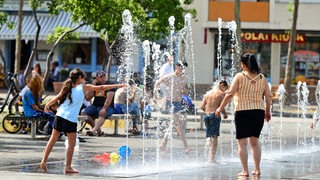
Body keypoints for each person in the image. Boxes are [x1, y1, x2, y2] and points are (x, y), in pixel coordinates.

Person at [40, 68, 126, 173]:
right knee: (71, 144)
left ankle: (44, 161)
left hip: (59, 116)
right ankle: (68, 167)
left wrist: (47, 106)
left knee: (52, 139)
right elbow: (102, 87)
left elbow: (56, 98)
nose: (84, 80)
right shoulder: (83, 87)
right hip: (70, 119)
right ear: (80, 78)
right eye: (83, 78)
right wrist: (117, 85)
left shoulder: (67, 87)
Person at [215, 53, 271, 177]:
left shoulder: (239, 76)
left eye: (242, 63)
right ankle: (257, 169)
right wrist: (267, 111)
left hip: (242, 111)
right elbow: (268, 96)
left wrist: (220, 108)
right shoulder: (262, 77)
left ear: (244, 65)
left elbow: (230, 94)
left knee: (242, 143)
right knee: (255, 142)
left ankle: (245, 170)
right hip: (258, 112)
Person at [154, 61, 192, 153]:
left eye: (184, 68)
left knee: (173, 124)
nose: (183, 70)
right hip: (171, 103)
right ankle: (186, 146)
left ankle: (163, 145)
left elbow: (183, 90)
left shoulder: (182, 78)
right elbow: (157, 83)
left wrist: (185, 94)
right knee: (179, 124)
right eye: (181, 67)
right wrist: (155, 96)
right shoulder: (170, 76)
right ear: (177, 67)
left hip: (178, 103)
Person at [200, 80, 228, 163]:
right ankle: (211, 158)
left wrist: (207, 111)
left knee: (209, 136)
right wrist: (225, 115)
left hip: (206, 115)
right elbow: (221, 106)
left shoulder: (207, 93)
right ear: (222, 85)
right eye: (225, 88)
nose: (224, 90)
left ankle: (207, 156)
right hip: (215, 115)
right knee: (215, 137)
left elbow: (201, 106)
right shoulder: (221, 93)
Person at [82, 70, 117, 136]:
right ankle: (98, 130)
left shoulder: (109, 84)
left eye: (104, 76)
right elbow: (88, 98)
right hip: (95, 106)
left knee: (102, 114)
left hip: (108, 107)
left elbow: (109, 99)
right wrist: (93, 86)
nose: (103, 78)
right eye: (101, 77)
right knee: (83, 113)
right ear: (97, 78)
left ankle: (93, 130)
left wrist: (104, 108)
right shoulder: (95, 85)